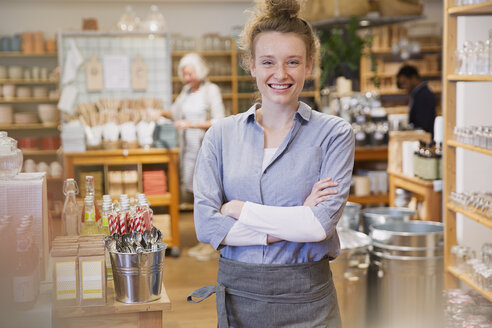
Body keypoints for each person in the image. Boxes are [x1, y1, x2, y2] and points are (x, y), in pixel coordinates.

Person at [187, 0, 355, 326]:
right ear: (252, 65)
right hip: (240, 298)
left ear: (309, 66)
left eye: (293, 62)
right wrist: (292, 223)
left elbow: (318, 227)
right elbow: (207, 227)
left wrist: (237, 209)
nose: (280, 74)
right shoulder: (220, 136)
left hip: (309, 301)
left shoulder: (334, 134)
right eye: (268, 62)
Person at [170, 53, 225, 260]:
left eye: (190, 73)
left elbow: (219, 120)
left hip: (206, 150)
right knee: (196, 195)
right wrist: (158, 113)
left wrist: (191, 125)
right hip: (190, 150)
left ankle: (213, 243)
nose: (187, 77)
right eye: (184, 73)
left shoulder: (211, 91)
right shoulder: (186, 92)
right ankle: (203, 240)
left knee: (209, 194)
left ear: (199, 71)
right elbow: (174, 112)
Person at [397, 65, 436, 135]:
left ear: (413, 78)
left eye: (404, 82)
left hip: (424, 138)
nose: (403, 87)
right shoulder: (417, 94)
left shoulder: (424, 95)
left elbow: (424, 123)